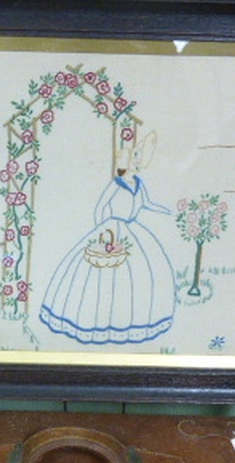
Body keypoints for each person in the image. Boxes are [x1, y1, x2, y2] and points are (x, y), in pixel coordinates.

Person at [38, 132, 175, 345]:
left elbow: (146, 203)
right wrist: (101, 230)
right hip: (111, 229)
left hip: (133, 231)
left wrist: (166, 211)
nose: (137, 166)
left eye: (139, 162)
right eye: (134, 162)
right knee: (101, 277)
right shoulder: (116, 183)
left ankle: (132, 321)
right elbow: (101, 206)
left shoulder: (139, 183)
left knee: (142, 271)